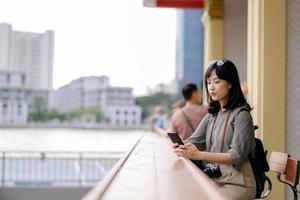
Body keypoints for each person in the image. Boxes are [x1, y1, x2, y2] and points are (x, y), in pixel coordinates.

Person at [173, 60, 256, 200]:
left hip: (238, 184)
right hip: (216, 180)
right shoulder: (212, 116)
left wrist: (199, 155)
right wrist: (179, 146)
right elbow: (193, 141)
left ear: (230, 83)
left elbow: (235, 157)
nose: (211, 87)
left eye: (216, 82)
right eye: (208, 82)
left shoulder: (242, 115)